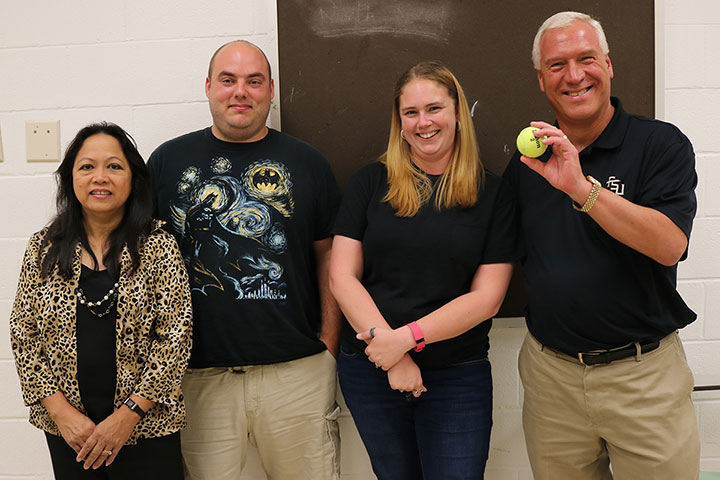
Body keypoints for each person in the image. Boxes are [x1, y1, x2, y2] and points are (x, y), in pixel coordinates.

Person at [503, 11, 700, 480]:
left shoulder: (660, 144)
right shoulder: (524, 166)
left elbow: (669, 245)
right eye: (557, 65)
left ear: (608, 65)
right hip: (552, 380)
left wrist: (581, 189)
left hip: (643, 379)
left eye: (586, 59)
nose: (574, 75)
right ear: (541, 80)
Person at [147, 40, 341, 480]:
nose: (241, 92)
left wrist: (329, 344)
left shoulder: (308, 163)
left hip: (297, 371)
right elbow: (144, 263)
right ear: (208, 87)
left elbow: (329, 256)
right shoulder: (166, 162)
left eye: (254, 81)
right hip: (198, 377)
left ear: (271, 90)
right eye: (228, 80)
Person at [329, 60, 522, 480]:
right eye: (411, 113)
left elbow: (486, 298)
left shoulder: (493, 194)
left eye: (434, 108)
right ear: (399, 123)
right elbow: (342, 277)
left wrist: (405, 341)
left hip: (457, 373)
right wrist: (391, 355)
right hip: (371, 367)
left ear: (457, 113)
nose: (423, 122)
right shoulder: (370, 183)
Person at [9, 122, 193, 479]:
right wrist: (63, 414)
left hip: (147, 428)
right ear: (71, 178)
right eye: (87, 166)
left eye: (114, 166)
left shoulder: (158, 245)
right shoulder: (42, 247)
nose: (100, 177)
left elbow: (175, 337)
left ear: (132, 178)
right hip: (70, 433)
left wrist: (127, 417)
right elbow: (23, 335)